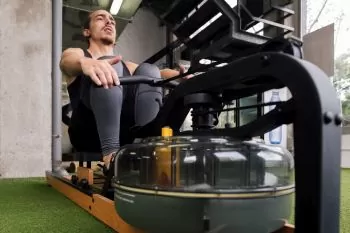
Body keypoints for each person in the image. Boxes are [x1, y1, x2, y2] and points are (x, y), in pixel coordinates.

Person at [60, 9, 189, 172]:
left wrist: (181, 76)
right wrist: (85, 63)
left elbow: (161, 74)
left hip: (125, 135)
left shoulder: (128, 66)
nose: (109, 22)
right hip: (88, 134)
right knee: (109, 64)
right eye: (101, 18)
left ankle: (148, 148)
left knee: (149, 70)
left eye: (112, 21)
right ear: (87, 31)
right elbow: (66, 60)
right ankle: (111, 155)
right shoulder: (80, 56)